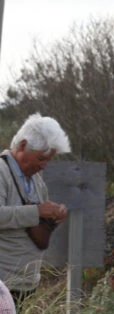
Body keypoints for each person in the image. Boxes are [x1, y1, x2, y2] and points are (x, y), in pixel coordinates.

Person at [0, 114, 70, 304]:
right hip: (3, 284)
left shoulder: (37, 181)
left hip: (26, 284)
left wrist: (53, 218)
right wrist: (38, 211)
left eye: (47, 160)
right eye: (40, 158)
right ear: (22, 146)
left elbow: (35, 223)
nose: (43, 166)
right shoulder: (1, 171)